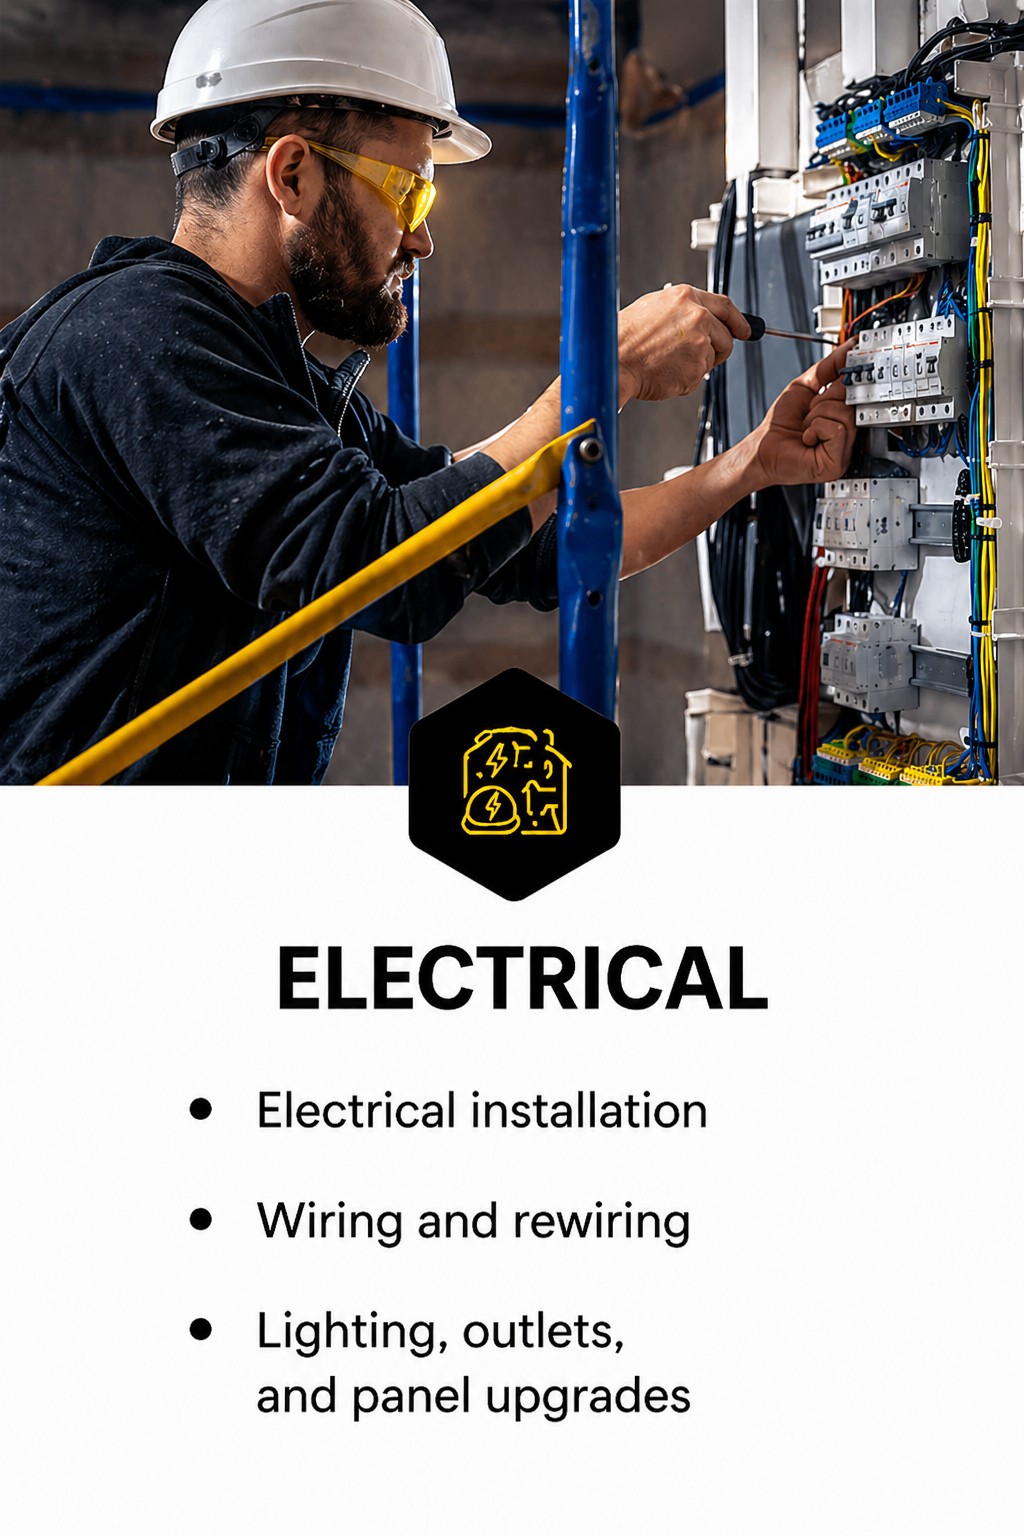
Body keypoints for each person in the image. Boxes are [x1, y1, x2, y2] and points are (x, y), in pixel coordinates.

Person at [0, 0, 854, 785]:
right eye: (410, 187)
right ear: (291, 175)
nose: (423, 236)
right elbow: (383, 571)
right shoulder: (141, 336)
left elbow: (531, 548)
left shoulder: (265, 376)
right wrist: (607, 374)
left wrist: (747, 467)